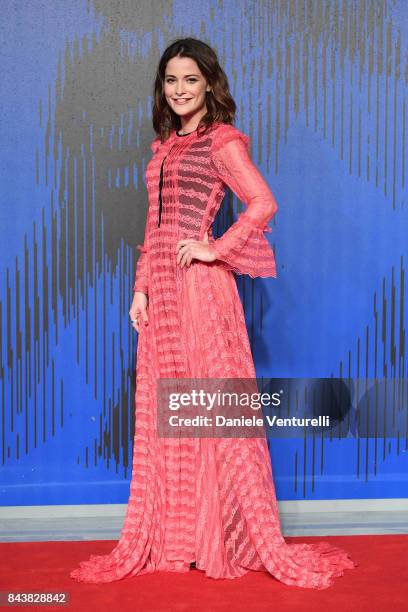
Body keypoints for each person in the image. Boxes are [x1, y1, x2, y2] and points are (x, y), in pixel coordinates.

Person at [70, 37, 356, 589]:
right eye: (171, 81)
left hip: (202, 292)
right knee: (171, 414)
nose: (179, 91)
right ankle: (183, 536)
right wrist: (141, 290)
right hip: (164, 294)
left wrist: (213, 248)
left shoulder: (220, 141)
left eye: (190, 81)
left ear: (209, 85)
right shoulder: (161, 148)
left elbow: (263, 202)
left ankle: (219, 535)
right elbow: (154, 230)